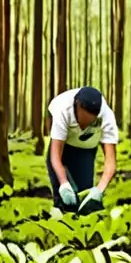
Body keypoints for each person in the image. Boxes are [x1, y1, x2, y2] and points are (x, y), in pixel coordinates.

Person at [46, 86, 118, 215]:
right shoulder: (62, 109)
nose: (83, 127)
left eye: (89, 123)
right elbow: (55, 157)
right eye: (82, 122)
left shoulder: (107, 117)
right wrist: (64, 183)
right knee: (65, 201)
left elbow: (111, 162)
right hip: (64, 146)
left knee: (86, 202)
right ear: (77, 106)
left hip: (86, 149)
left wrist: (99, 190)